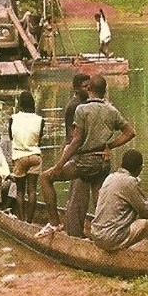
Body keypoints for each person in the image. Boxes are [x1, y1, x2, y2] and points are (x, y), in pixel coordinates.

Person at [38, 74, 135, 237]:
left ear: (89, 88)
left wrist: (59, 165)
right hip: (103, 163)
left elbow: (75, 141)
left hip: (86, 162)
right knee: (99, 199)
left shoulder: (81, 109)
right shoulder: (111, 110)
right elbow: (130, 132)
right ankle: (105, 233)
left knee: (45, 178)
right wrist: (109, 145)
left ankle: (55, 224)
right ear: (105, 91)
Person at [90, 149, 148, 252]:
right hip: (112, 239)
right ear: (139, 169)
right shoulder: (129, 182)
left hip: (97, 235)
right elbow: (147, 213)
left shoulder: (110, 177)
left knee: (132, 216)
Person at [63, 73, 93, 238]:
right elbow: (72, 136)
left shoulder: (84, 105)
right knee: (78, 197)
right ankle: (74, 235)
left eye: (89, 86)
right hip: (76, 154)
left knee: (80, 196)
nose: (88, 89)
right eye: (84, 86)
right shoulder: (75, 107)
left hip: (82, 153)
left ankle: (75, 231)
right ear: (75, 89)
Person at [8, 91, 44, 221]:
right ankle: (29, 220)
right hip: (35, 156)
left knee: (20, 191)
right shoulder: (40, 120)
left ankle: (22, 219)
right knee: (32, 190)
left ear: (20, 104)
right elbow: (39, 140)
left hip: (19, 156)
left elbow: (12, 137)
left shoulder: (13, 118)